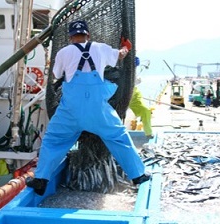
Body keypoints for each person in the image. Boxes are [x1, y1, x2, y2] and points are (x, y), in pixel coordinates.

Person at [26, 20, 151, 195]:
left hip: (70, 112)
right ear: (88, 35)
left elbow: (57, 74)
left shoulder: (63, 52)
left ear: (70, 37)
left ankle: (40, 180)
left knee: (52, 141)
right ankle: (138, 176)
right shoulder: (100, 48)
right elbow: (120, 55)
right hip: (98, 111)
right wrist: (126, 47)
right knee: (119, 137)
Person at [129, 57, 153, 138]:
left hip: (134, 93)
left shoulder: (133, 60)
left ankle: (148, 133)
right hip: (121, 93)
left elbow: (135, 80)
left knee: (145, 110)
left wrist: (136, 80)